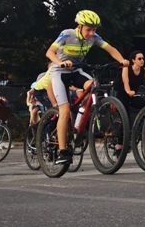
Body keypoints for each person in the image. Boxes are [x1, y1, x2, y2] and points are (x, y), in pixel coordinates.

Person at [45, 9, 129, 165]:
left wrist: (122, 60)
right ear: (79, 26)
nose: (92, 33)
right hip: (60, 72)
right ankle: (63, 151)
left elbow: (110, 49)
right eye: (88, 29)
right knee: (64, 110)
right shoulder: (67, 34)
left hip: (76, 71)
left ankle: (81, 119)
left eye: (94, 30)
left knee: (93, 85)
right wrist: (60, 62)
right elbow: (50, 52)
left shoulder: (94, 37)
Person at [120, 50, 145, 114]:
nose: (142, 60)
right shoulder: (126, 68)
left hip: (134, 94)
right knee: (125, 112)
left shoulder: (144, 70)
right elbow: (126, 81)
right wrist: (128, 91)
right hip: (122, 93)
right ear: (133, 60)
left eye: (143, 58)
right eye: (139, 59)